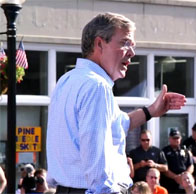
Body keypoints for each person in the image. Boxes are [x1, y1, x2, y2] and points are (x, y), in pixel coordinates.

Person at [46, 12, 186, 194]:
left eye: (132, 45)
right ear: (99, 44)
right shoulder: (97, 86)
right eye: (125, 43)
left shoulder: (67, 80)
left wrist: (151, 110)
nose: (132, 52)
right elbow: (97, 165)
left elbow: (119, 123)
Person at [161, 128, 193, 193]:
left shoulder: (185, 150)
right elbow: (164, 168)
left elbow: (191, 165)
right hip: (170, 182)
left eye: (178, 138)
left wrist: (185, 176)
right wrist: (176, 177)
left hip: (184, 182)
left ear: (180, 139)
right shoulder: (164, 151)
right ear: (169, 139)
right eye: (174, 138)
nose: (176, 140)